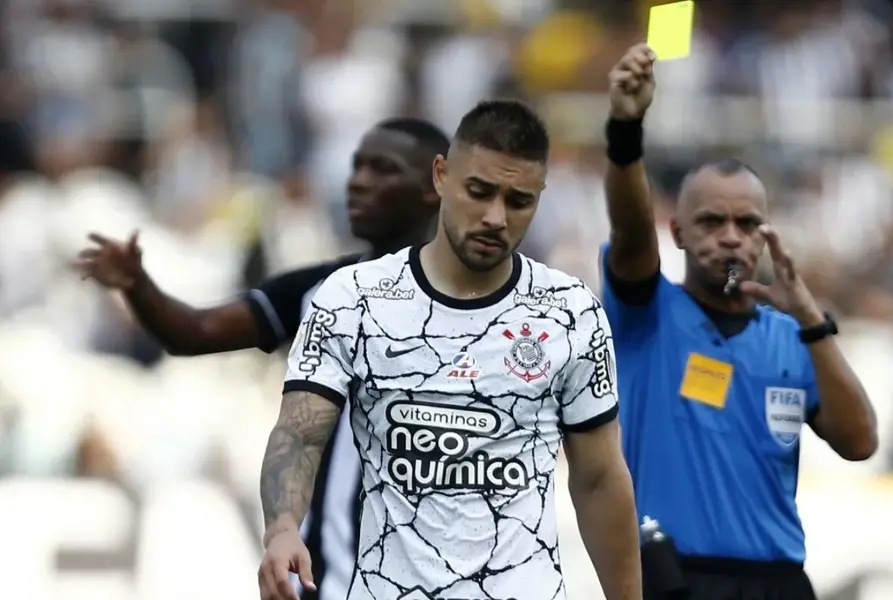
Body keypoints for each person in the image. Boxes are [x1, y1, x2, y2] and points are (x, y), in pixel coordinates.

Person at [256, 99, 642, 600]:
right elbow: (300, 434)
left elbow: (598, 478)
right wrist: (283, 527)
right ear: (441, 176)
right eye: (478, 192)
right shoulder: (353, 297)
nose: (495, 218)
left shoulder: (569, 312)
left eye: (519, 200)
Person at [75, 117, 451, 600]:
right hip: (331, 584)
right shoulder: (322, 290)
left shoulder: (489, 309)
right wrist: (138, 284)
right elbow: (194, 332)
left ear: (434, 185)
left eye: (384, 169)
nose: (359, 181)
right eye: (358, 167)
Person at [600, 44, 879, 600]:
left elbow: (860, 442)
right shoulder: (647, 312)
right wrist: (626, 132)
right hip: (675, 579)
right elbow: (630, 232)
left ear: (766, 234)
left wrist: (811, 320)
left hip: (777, 581)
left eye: (747, 223)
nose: (731, 236)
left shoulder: (792, 335)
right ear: (678, 233)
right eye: (712, 221)